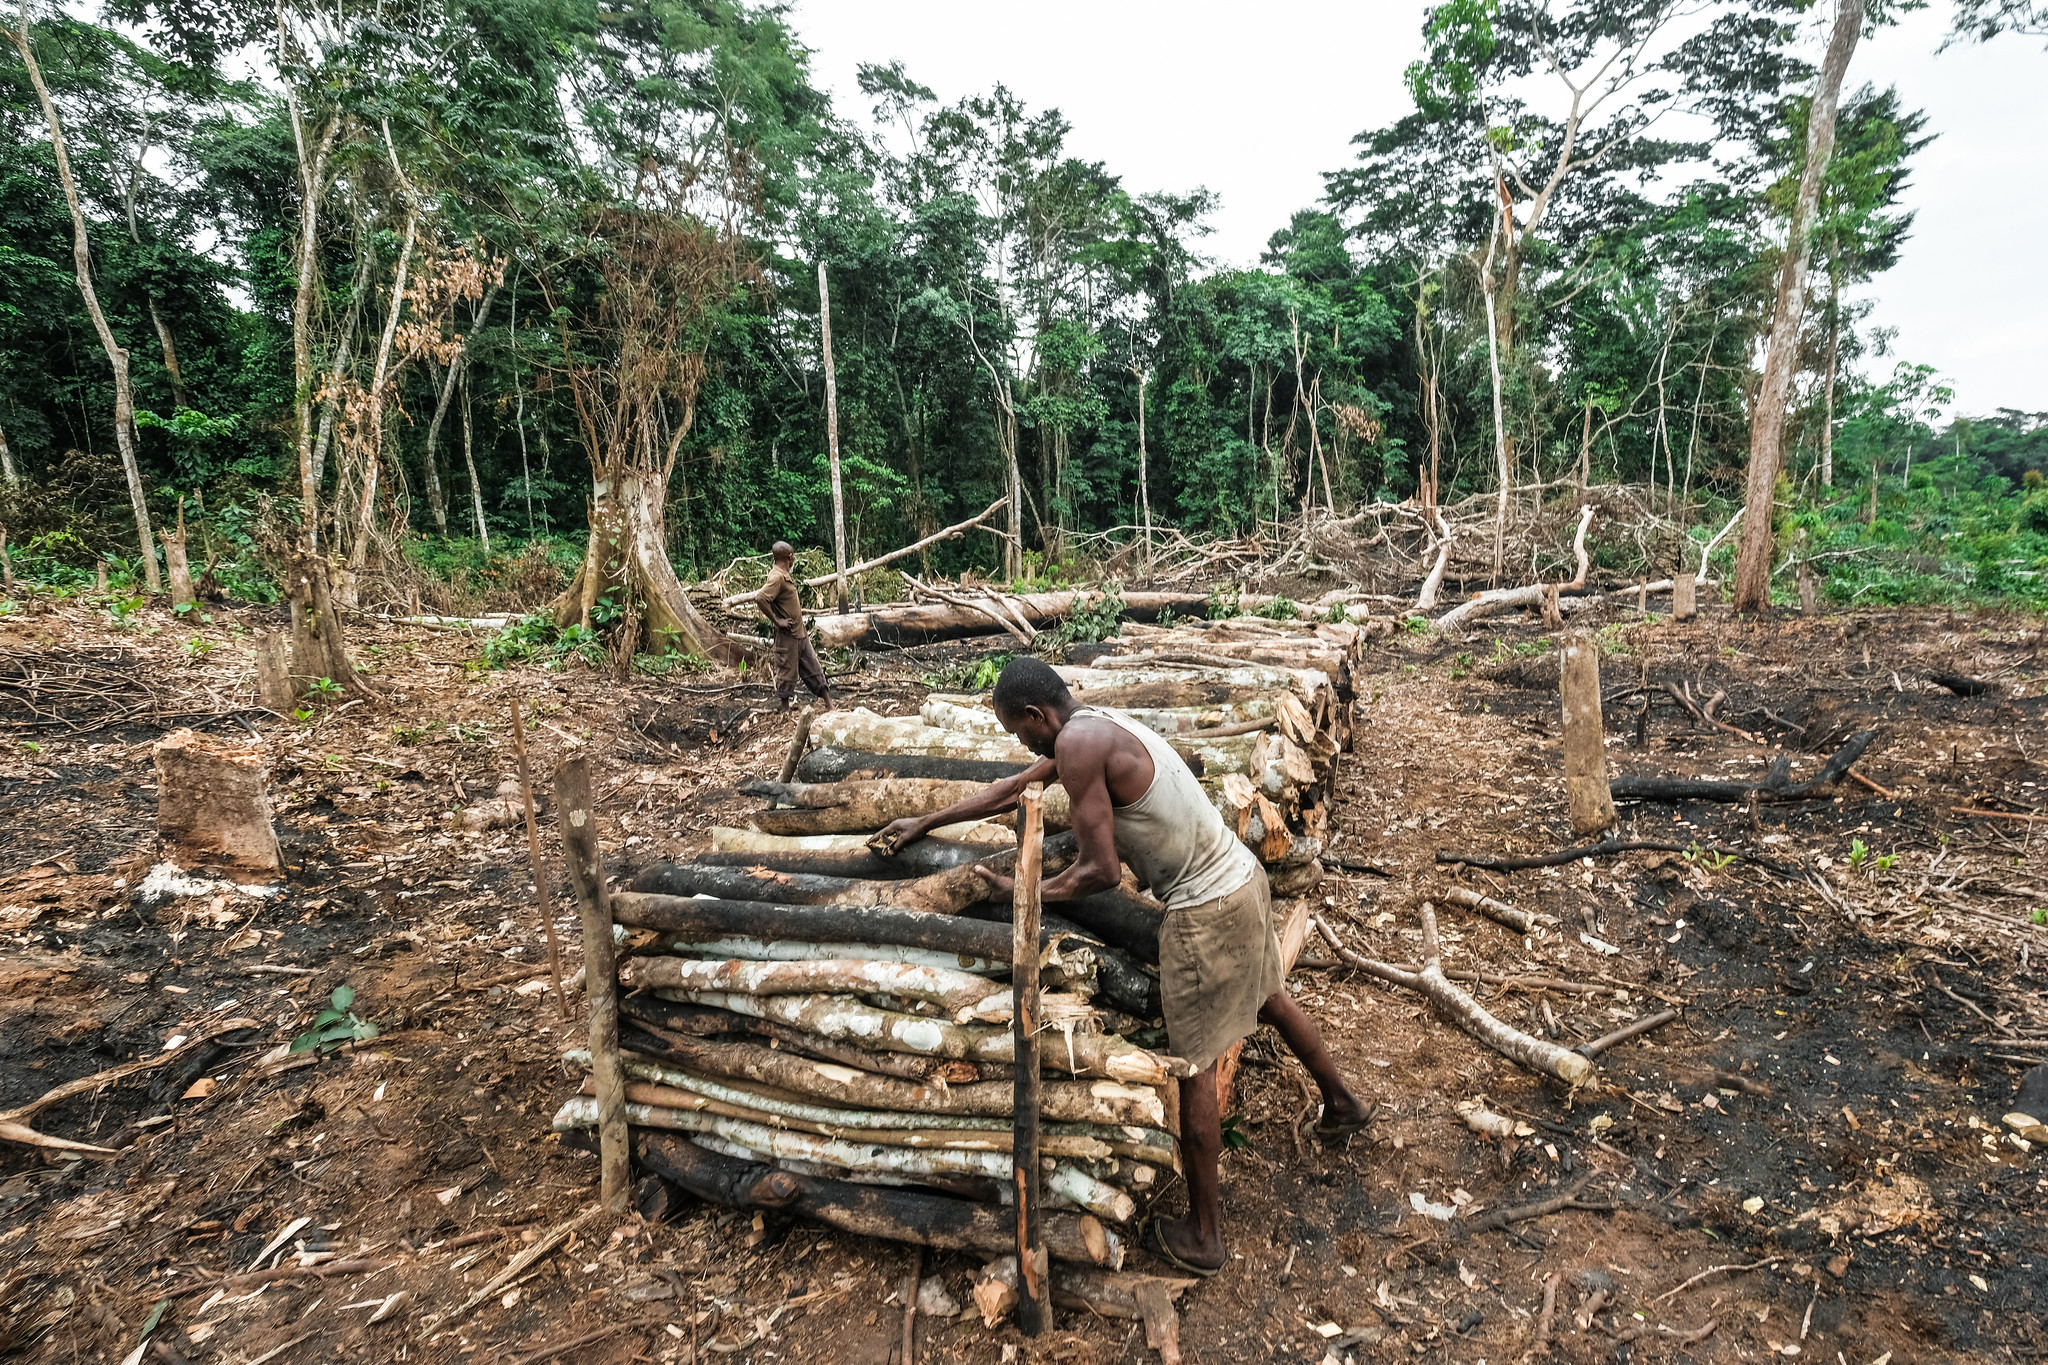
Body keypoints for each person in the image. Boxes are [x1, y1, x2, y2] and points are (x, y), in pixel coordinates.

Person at [872, 656, 1370, 1275]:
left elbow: (1099, 873)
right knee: (1269, 996)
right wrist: (926, 820)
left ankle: (1205, 1237)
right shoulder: (1092, 724)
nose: (1019, 741)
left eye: (1016, 730)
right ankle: (1344, 1103)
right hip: (1242, 878)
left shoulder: (1078, 744)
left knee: (1194, 1065)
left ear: (1036, 715)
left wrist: (1016, 888)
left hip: (1204, 908)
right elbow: (1015, 788)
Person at [754, 541, 833, 710]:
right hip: (787, 635)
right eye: (793, 556)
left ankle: (829, 705)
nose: (794, 558)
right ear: (789, 557)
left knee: (814, 668)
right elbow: (761, 598)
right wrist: (777, 620)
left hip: (800, 633)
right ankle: (785, 708)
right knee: (787, 672)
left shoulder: (784, 575)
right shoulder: (776, 577)